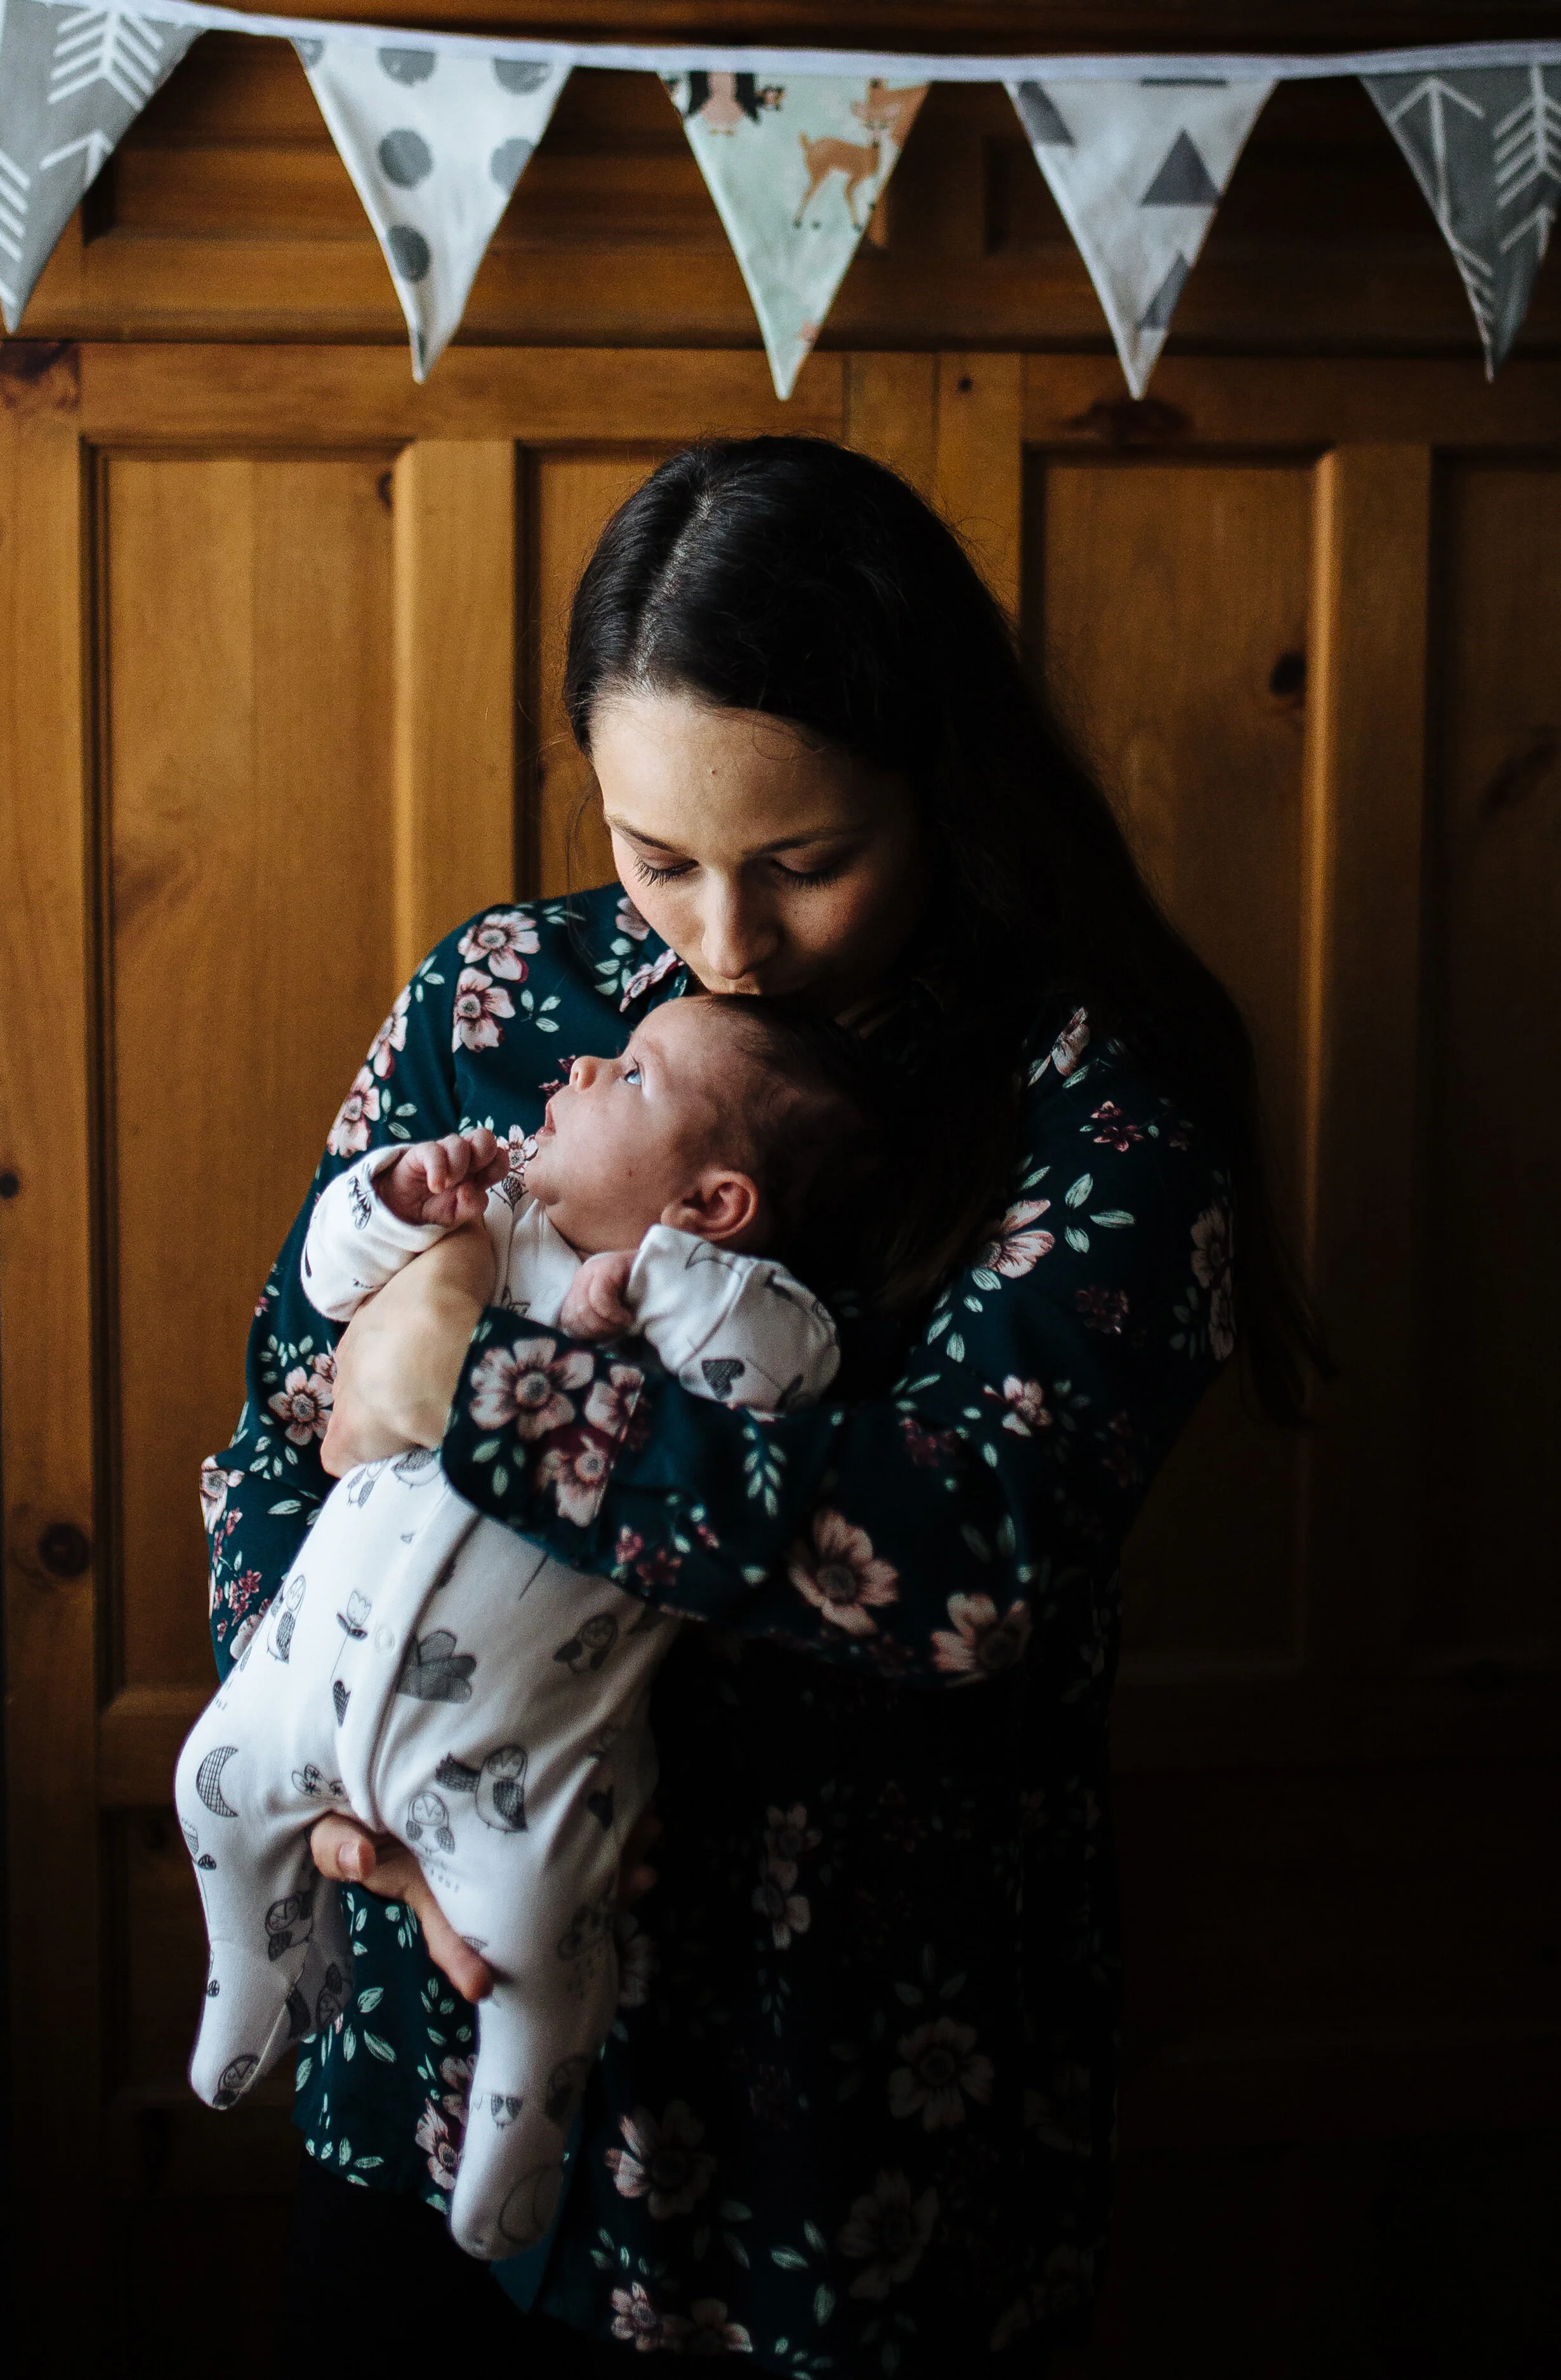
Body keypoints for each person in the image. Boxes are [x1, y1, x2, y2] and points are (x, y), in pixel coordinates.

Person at [202, 437, 1321, 2375]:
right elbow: (278, 1440)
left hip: (837, 2105)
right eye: (659, 857)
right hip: (423, 2035)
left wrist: (469, 1382)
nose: (721, 938)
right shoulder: (502, 992)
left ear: (935, 784)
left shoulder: (1096, 1099)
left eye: (802, 861)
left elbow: (947, 1568)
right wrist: (355, 1801)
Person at [179, 995, 864, 2260]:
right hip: (307, 1685)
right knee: (208, 1792)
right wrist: (392, 1197)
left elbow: (781, 1376)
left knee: (542, 1944)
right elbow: (321, 1293)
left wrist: (655, 1279)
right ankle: (260, 1967)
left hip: (514, 1766)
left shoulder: (733, 1313)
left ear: (711, 1205)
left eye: (636, 1076)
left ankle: (520, 2121)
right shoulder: (491, 1218)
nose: (586, 1060)